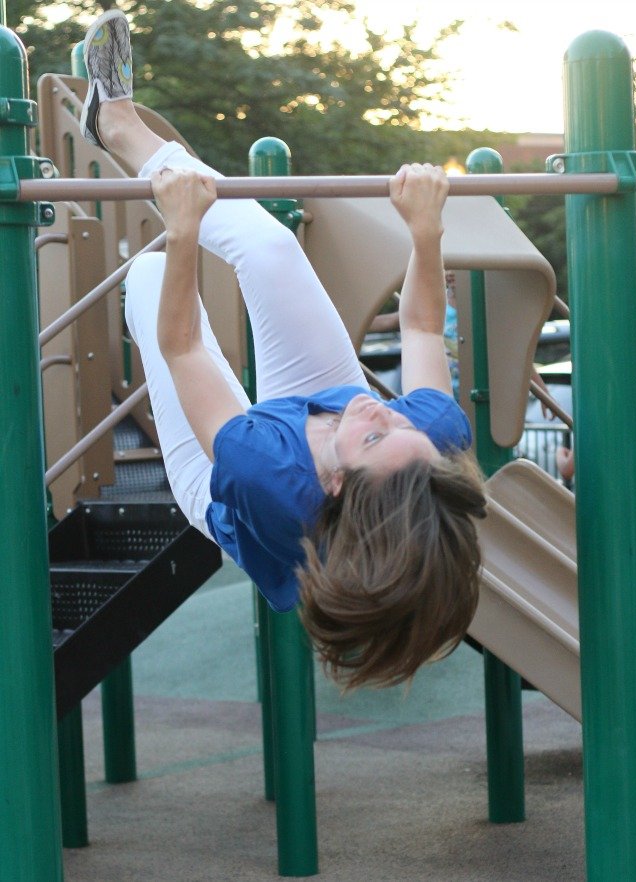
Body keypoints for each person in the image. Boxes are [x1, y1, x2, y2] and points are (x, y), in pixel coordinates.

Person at [80, 10, 486, 689]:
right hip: (315, 423)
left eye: (376, 434)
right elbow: (419, 329)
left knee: (152, 278)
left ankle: (161, 219)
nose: (381, 408)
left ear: (335, 479)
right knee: (269, 247)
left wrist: (183, 234)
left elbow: (182, 351)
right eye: (401, 421)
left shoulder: (263, 474)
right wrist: (425, 230)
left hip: (209, 487)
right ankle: (116, 122)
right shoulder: (422, 441)